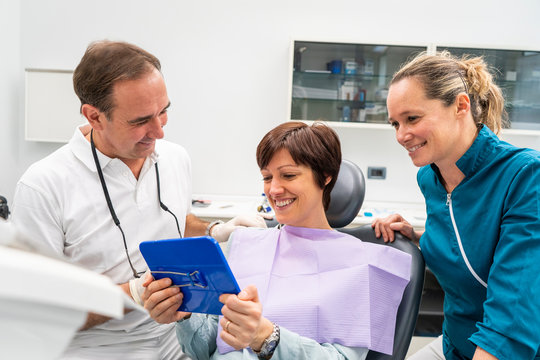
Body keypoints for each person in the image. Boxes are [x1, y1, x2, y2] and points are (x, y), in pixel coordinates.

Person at [10, 40, 266, 360]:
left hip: (178, 340)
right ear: (94, 116)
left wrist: (215, 231)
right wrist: (134, 293)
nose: (158, 131)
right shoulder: (43, 186)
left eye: (164, 111)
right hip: (101, 350)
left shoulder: (174, 159)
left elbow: (172, 221)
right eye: (140, 120)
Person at [141, 121, 412, 360]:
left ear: (326, 176)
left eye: (289, 175)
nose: (274, 189)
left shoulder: (363, 264)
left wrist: (266, 337)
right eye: (267, 177)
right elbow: (206, 350)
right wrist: (186, 314)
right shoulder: (244, 245)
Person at [372, 51, 540, 360]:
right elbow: (468, 257)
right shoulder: (430, 178)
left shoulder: (526, 176)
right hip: (456, 343)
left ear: (461, 106)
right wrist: (419, 240)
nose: (401, 135)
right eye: (394, 123)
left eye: (412, 118)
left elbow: (515, 312)